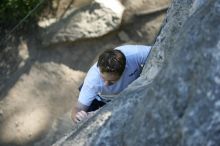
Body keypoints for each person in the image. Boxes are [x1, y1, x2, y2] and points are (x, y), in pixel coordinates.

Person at [72, 45, 151, 123]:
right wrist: (78, 117)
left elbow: (159, 51)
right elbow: (78, 108)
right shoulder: (92, 80)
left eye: (111, 81)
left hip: (129, 91)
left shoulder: (134, 54)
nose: (106, 84)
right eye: (103, 78)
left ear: (124, 70)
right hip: (99, 99)